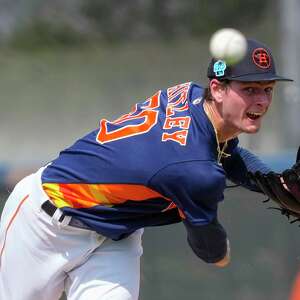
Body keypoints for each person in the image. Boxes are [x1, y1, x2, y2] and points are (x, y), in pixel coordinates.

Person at [0, 38, 293, 300]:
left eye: (268, 89)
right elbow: (208, 248)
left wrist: (278, 183)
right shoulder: (191, 167)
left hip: (114, 239)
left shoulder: (193, 98)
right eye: (250, 89)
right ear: (217, 89)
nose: (262, 101)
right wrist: (223, 253)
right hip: (44, 223)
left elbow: (229, 155)